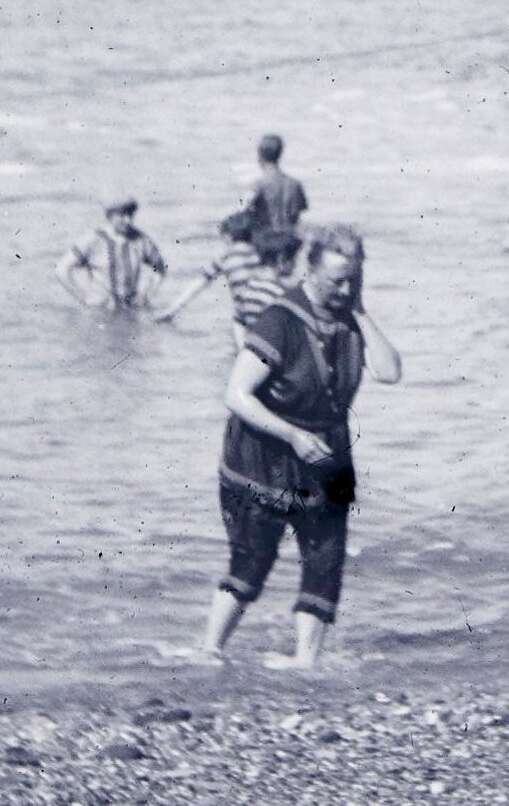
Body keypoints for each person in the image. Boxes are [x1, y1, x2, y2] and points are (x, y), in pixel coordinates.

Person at [202, 223, 401, 669]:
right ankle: (210, 649)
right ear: (310, 272)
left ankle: (305, 659)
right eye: (336, 281)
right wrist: (291, 435)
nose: (345, 289)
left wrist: (362, 310)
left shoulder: (351, 319)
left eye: (353, 279)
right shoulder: (279, 321)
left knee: (326, 556)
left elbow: (389, 372)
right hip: (262, 455)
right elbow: (236, 394)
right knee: (252, 560)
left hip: (327, 451)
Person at [154, 215, 302, 349]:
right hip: (269, 305)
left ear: (228, 237)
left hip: (244, 313)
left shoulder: (226, 257)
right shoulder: (260, 253)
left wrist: (171, 310)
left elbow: (199, 284)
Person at [56, 198, 167, 309]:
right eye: (122, 216)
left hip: (130, 309)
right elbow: (62, 269)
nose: (127, 220)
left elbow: (160, 269)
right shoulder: (94, 238)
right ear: (110, 215)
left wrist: (146, 295)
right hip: (99, 310)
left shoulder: (141, 240)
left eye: (130, 215)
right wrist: (84, 298)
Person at [241, 133, 308, 233]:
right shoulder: (295, 184)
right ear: (280, 153)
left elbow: (243, 212)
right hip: (289, 239)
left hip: (265, 241)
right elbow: (298, 213)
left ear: (260, 155)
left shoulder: (257, 185)